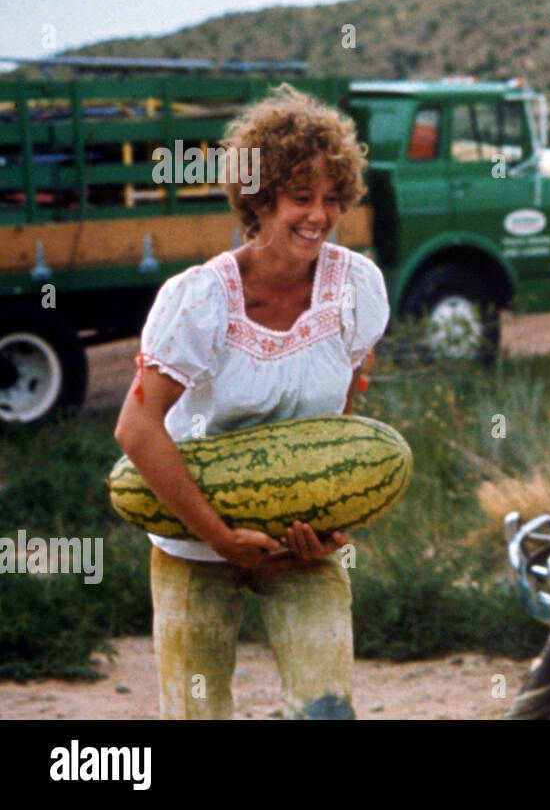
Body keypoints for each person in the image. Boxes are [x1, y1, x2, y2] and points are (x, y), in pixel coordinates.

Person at [114, 85, 389, 720]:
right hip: (192, 540)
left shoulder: (357, 288)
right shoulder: (201, 299)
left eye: (331, 199)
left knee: (326, 712)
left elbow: (344, 411)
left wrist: (334, 515)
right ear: (260, 202)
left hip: (302, 542)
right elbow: (137, 428)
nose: (318, 215)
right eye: (300, 198)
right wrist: (219, 536)